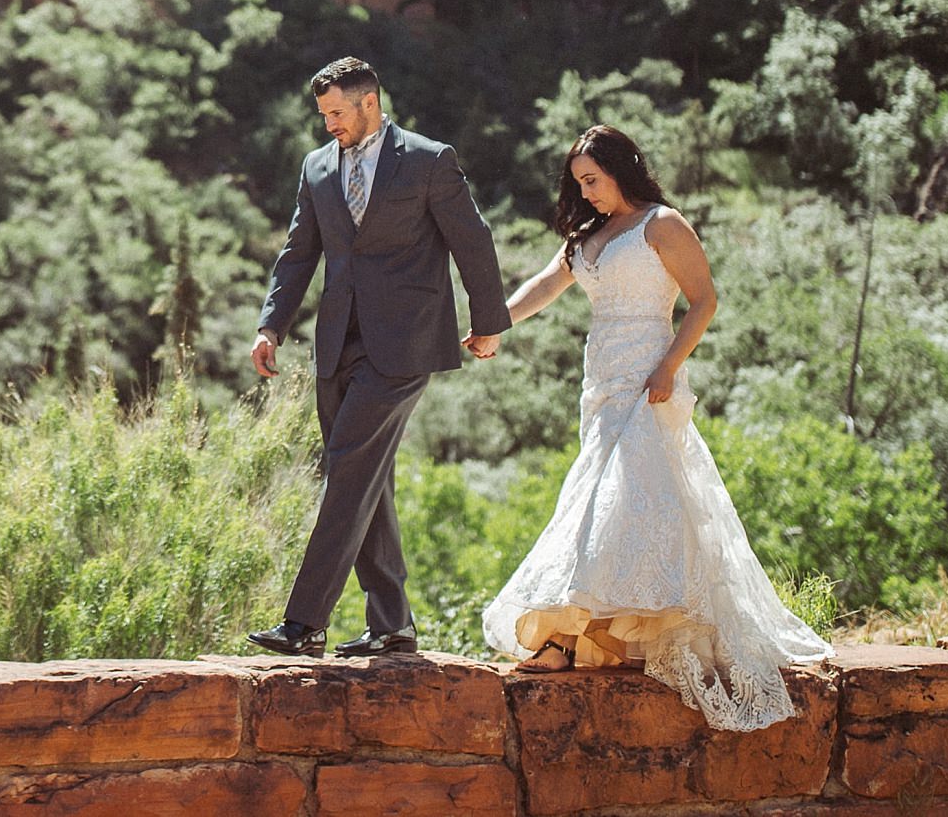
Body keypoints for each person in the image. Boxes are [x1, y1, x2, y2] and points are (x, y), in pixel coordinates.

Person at [479, 124, 831, 731]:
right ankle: (596, 632)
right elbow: (546, 286)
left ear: (621, 169)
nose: (585, 192)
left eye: (593, 179)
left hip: (648, 381)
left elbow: (704, 300)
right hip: (601, 387)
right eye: (578, 183)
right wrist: (492, 324)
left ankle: (567, 638)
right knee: (611, 501)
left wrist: (669, 366)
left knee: (611, 500)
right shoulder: (586, 236)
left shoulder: (662, 225)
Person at [247, 57, 512, 659]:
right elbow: (298, 254)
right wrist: (271, 325)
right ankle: (392, 624)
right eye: (323, 115)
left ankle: (305, 622)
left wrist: (489, 322)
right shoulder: (316, 167)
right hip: (335, 343)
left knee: (346, 468)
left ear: (369, 102)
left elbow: (473, 240)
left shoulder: (427, 159)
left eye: (336, 113)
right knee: (368, 479)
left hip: (406, 344)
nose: (328, 125)